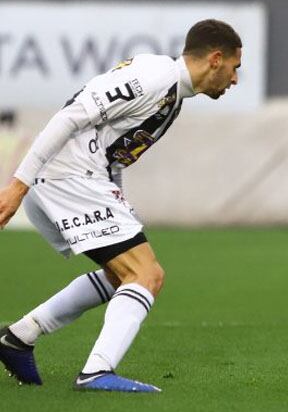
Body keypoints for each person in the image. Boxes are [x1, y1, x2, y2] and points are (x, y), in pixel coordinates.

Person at [0, 19, 242, 392]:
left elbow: (115, 158)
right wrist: (18, 184)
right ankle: (96, 372)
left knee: (120, 275)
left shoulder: (173, 96)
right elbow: (71, 116)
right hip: (66, 176)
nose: (235, 79)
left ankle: (19, 337)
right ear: (215, 59)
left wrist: (118, 202)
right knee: (147, 275)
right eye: (235, 67)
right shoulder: (154, 76)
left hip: (79, 178)